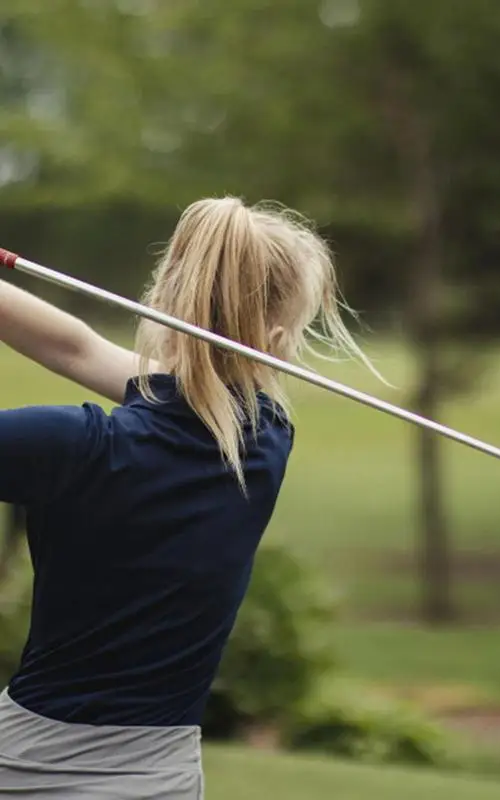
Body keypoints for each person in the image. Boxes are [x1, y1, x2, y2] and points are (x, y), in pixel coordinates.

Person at [0, 197, 378, 798]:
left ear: (161, 304)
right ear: (276, 345)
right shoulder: (264, 442)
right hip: (162, 780)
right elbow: (78, 349)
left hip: (27, 772)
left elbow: (80, 350)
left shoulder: (70, 447)